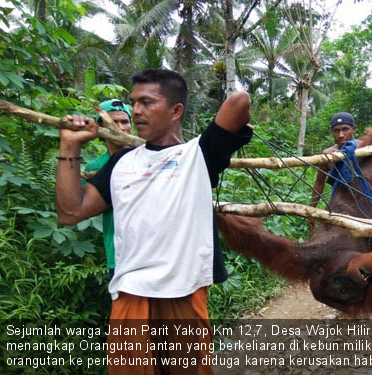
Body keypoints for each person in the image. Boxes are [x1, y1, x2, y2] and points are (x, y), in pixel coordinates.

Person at [56, 69, 252, 374]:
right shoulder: (121, 163)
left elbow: (239, 102)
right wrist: (70, 146)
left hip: (183, 292)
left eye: (147, 102)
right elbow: (70, 212)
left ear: (176, 111)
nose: (135, 111)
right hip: (130, 292)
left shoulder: (199, 154)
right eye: (134, 102)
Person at [84, 99, 133, 280]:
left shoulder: (148, 157)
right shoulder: (95, 166)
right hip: (119, 256)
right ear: (100, 129)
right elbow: (86, 206)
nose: (118, 127)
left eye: (124, 122)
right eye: (111, 123)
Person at [308, 112, 358, 231]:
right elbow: (319, 183)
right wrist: (312, 212)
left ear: (354, 129)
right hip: (338, 203)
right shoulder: (327, 154)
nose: (341, 135)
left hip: (362, 203)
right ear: (332, 132)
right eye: (337, 130)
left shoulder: (365, 148)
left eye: (345, 129)